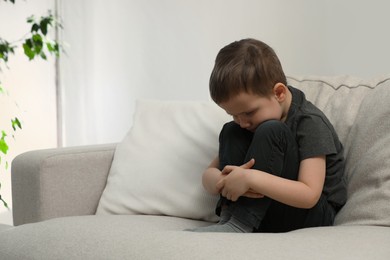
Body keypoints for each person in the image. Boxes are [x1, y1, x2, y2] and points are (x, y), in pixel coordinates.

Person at [188, 38, 346, 233]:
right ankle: (231, 220)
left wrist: (251, 179)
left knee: (272, 130)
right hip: (267, 212)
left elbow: (309, 194)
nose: (243, 122)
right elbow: (208, 175)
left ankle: (240, 224)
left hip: (310, 213)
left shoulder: (310, 122)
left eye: (248, 113)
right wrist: (222, 181)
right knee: (231, 130)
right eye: (233, 114)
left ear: (279, 93)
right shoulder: (244, 125)